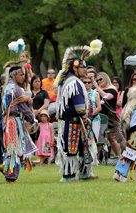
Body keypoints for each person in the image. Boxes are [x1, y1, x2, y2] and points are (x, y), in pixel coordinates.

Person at [55, 39, 101, 182]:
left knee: (83, 147)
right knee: (72, 149)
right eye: (83, 68)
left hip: (73, 121)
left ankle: (84, 173)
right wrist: (84, 116)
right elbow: (80, 106)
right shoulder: (74, 82)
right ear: (75, 68)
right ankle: (68, 175)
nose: (85, 70)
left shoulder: (67, 81)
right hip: (75, 121)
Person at [0, 61, 37, 182]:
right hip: (13, 121)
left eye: (24, 74)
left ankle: (6, 167)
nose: (23, 77)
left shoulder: (9, 88)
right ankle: (10, 175)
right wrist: (32, 119)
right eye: (21, 74)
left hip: (9, 120)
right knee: (14, 148)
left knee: (14, 147)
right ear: (13, 75)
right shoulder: (14, 89)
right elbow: (23, 108)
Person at [94, 72, 123, 157]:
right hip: (99, 116)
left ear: (105, 78)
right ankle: (98, 158)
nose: (98, 81)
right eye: (97, 80)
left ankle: (119, 155)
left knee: (113, 138)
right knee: (99, 137)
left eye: (100, 79)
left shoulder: (112, 88)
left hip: (111, 117)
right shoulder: (95, 90)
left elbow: (106, 96)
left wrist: (96, 87)